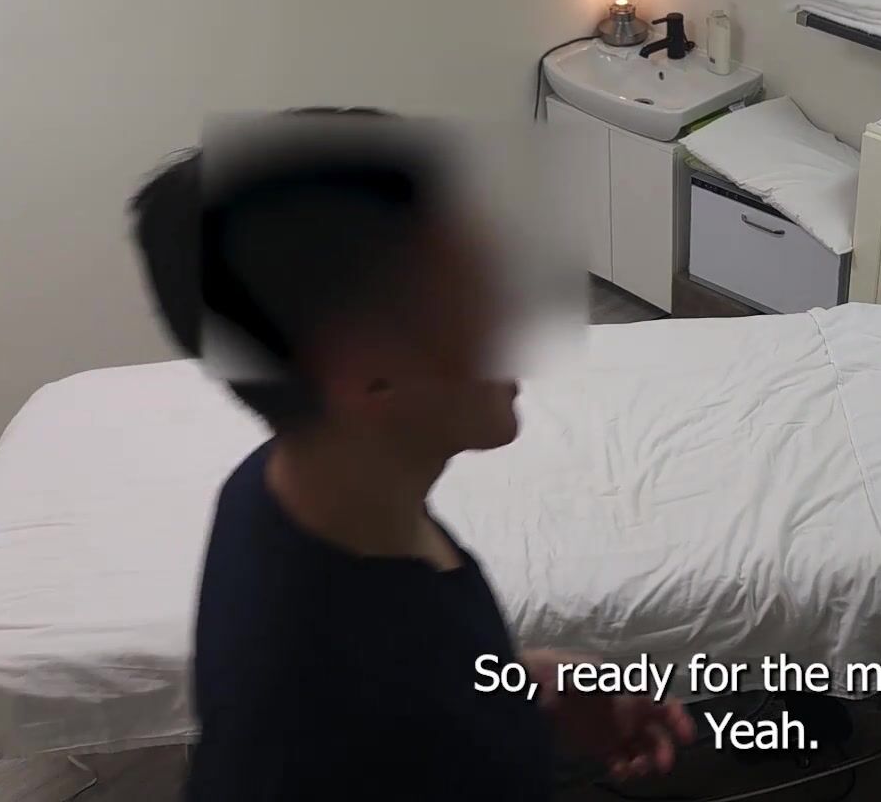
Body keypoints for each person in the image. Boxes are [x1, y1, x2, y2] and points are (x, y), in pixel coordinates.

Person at [129, 109, 693, 801]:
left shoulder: (278, 489)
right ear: (370, 376)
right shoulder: (379, 740)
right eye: (478, 288)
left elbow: (411, 655)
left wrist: (526, 681)